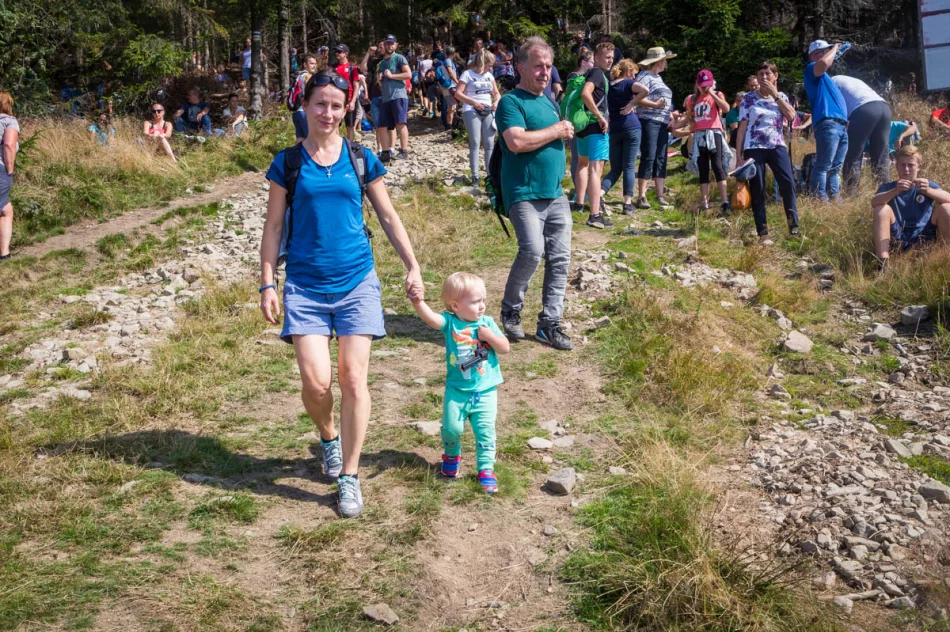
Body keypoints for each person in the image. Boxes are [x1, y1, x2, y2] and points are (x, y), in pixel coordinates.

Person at [259, 71, 424, 519]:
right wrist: (267, 281)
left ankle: (349, 476)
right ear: (305, 106)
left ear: (347, 107)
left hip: (356, 282)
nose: (328, 112)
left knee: (353, 380)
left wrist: (412, 266)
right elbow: (274, 227)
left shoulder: (360, 157)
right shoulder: (287, 163)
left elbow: (388, 216)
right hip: (306, 287)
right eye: (320, 104)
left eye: (336, 105)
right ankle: (328, 438)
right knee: (316, 384)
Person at [496, 37, 576, 351]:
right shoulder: (510, 102)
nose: (545, 72)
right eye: (538, 66)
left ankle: (549, 324)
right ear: (520, 67)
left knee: (560, 259)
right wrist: (557, 131)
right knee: (532, 251)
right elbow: (516, 142)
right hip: (523, 193)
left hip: (555, 194)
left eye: (548, 66)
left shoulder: (549, 102)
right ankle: (511, 308)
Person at [410, 272, 509, 493]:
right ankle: (452, 456)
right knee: (452, 428)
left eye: (483, 300)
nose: (482, 306)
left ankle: (486, 469)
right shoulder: (450, 323)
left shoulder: (487, 323)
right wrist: (419, 303)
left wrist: (489, 337)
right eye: (475, 302)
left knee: (485, 431)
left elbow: (505, 347)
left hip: (485, 391)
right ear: (455, 305)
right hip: (457, 391)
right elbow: (432, 319)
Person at [735, 61, 799, 245]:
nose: (764, 77)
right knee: (758, 188)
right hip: (754, 146)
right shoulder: (748, 98)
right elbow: (742, 128)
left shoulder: (782, 96)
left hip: (776, 145)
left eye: (767, 74)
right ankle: (763, 232)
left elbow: (791, 116)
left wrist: (775, 95)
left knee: (788, 183)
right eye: (760, 74)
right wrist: (739, 156)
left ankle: (794, 227)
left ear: (775, 76)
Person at [872, 145, 950, 269]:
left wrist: (929, 191)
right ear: (896, 166)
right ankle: (882, 265)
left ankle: (944, 258)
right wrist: (895, 191)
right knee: (881, 209)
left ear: (919, 167)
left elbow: (948, 199)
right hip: (898, 235)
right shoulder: (890, 187)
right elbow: (874, 202)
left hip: (924, 234)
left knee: (946, 208)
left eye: (911, 165)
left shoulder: (926, 184)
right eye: (902, 165)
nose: (906, 170)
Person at [573, 41, 614, 229]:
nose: (610, 60)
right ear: (596, 58)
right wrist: (600, 117)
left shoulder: (590, 73)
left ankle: (579, 204)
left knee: (583, 164)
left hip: (582, 127)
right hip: (595, 127)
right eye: (607, 57)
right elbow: (585, 94)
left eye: (612, 57)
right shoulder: (597, 73)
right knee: (596, 170)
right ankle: (594, 215)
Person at [804, 40, 849, 201]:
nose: (828, 54)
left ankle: (835, 200)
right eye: (824, 51)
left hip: (840, 125)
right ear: (814, 55)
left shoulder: (826, 78)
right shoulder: (812, 69)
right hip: (828, 123)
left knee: (835, 168)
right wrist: (836, 47)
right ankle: (820, 200)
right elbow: (823, 63)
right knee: (823, 166)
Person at [600, 59, 646, 215]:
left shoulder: (609, 86)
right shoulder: (628, 84)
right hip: (631, 127)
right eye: (633, 74)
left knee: (615, 169)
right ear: (628, 73)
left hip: (615, 129)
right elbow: (645, 90)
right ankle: (627, 203)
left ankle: (599, 194)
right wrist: (632, 103)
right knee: (629, 166)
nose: (634, 77)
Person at [632, 46, 676, 210]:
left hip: (662, 122)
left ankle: (659, 194)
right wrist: (656, 105)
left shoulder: (658, 78)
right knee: (649, 156)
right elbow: (635, 98)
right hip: (649, 120)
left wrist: (670, 114)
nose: (666, 63)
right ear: (659, 61)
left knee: (661, 157)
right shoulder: (644, 76)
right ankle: (642, 195)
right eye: (665, 60)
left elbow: (662, 101)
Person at [832, 74, 891, 192]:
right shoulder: (851, 80)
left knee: (854, 154)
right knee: (881, 155)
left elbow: (836, 109)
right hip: (884, 107)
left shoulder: (831, 82)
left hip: (864, 109)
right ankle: (885, 192)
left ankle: (851, 193)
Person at [685, 69, 730, 213]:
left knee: (717, 165)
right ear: (697, 84)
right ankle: (705, 202)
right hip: (699, 134)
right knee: (703, 167)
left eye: (707, 85)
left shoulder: (717, 95)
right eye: (702, 85)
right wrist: (675, 125)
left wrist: (711, 94)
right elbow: (688, 118)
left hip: (714, 132)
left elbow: (726, 108)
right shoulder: (692, 99)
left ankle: (725, 200)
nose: (704, 88)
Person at [457, 49, 501, 190]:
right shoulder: (467, 74)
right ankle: (475, 176)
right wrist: (473, 102)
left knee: (489, 144)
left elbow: (496, 93)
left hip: (488, 109)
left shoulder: (489, 76)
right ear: (483, 62)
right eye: (489, 64)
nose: (491, 68)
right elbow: (458, 93)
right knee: (475, 143)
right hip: (472, 110)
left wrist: (496, 102)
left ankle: (490, 175)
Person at [376, 35, 412, 162]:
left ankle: (404, 151)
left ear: (396, 45)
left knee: (400, 123)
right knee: (382, 126)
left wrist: (392, 75)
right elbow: (381, 83)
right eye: (387, 43)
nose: (389, 46)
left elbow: (408, 74)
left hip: (398, 95)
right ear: (384, 45)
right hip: (386, 98)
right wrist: (379, 79)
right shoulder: (382, 63)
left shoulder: (399, 58)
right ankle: (386, 152)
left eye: (392, 44)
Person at [566, 50, 594, 203]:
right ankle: (579, 193)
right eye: (591, 62)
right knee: (578, 159)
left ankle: (585, 191)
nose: (593, 66)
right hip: (575, 122)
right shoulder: (574, 77)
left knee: (586, 159)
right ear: (583, 62)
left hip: (583, 122)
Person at [0, 92, 18, 261]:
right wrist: (10, 170)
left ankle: (4, 253)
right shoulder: (8, 121)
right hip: (0, 169)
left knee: (6, 209)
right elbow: (8, 145)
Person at [333, 44, 363, 141]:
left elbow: (356, 85)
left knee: (350, 125)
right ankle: (337, 145)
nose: (337, 53)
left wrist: (353, 101)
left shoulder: (352, 67)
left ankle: (350, 146)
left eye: (339, 52)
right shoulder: (334, 67)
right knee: (335, 123)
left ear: (346, 53)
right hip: (337, 99)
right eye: (336, 51)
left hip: (349, 99)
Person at [360, 42, 386, 149]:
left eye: (381, 47)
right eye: (378, 47)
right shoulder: (376, 62)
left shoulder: (392, 61)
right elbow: (362, 67)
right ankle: (380, 149)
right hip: (375, 95)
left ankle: (388, 148)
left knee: (388, 125)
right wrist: (368, 53)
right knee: (378, 125)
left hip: (387, 95)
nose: (379, 49)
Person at [293, 54, 319, 143]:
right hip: (304, 112)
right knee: (311, 140)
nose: (314, 65)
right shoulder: (307, 76)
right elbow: (315, 91)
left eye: (315, 63)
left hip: (297, 112)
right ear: (305, 64)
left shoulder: (299, 76)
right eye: (311, 63)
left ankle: (296, 157)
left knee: (300, 140)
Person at [437, 47, 461, 134]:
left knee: (451, 106)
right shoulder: (448, 61)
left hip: (448, 87)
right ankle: (450, 126)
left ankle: (449, 125)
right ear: (453, 53)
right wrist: (458, 83)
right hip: (451, 87)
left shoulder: (448, 61)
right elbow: (451, 73)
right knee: (453, 106)